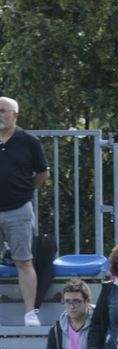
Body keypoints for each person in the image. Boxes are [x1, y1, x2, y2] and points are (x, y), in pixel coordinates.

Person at [0, 97, 49, 327]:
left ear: (15, 115)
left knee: (24, 262)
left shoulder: (29, 141)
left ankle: (30, 314)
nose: (0, 115)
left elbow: (42, 173)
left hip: (18, 210)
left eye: (3, 110)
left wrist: (23, 191)